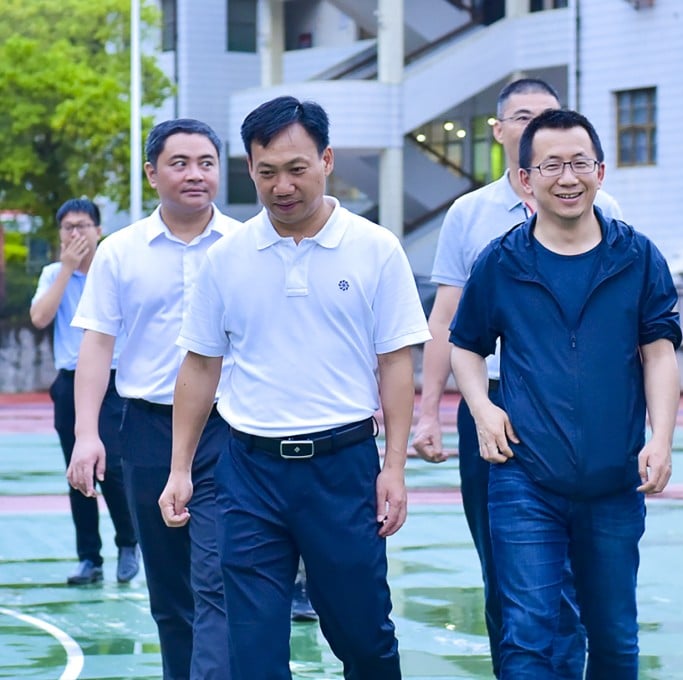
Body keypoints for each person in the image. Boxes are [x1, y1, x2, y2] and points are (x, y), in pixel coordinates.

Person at [159, 95, 430, 679]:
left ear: (326, 159)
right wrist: (180, 467)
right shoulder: (226, 257)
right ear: (251, 170)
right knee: (251, 652)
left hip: (344, 467)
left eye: (296, 169)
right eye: (266, 172)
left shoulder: (375, 248)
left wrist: (395, 467)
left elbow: (396, 363)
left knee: (363, 637)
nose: (282, 186)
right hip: (249, 471)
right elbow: (200, 367)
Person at [449, 109, 682, 679]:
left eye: (580, 163)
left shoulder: (637, 257)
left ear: (600, 171)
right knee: (528, 636)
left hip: (613, 480)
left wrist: (662, 438)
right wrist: (482, 408)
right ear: (526, 179)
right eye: (551, 165)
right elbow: (465, 346)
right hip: (524, 476)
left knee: (614, 639)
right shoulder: (502, 263)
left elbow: (659, 352)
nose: (568, 177)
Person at [412, 77, 621, 678]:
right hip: (494, 405)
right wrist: (431, 411)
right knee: (508, 567)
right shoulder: (470, 215)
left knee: (582, 573)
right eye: (525, 118)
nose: (539, 127)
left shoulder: (606, 209)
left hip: (580, 405)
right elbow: (447, 320)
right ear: (502, 132)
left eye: (551, 116)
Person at [67, 119, 240, 680]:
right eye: (180, 163)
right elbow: (96, 346)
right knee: (169, 589)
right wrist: (88, 434)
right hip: (145, 429)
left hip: (229, 430)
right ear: (152, 172)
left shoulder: (247, 246)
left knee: (216, 576)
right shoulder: (120, 252)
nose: (195, 174)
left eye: (206, 163)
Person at [30, 198, 139, 586]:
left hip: (112, 382)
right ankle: (88, 559)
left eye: (82, 226)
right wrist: (67, 271)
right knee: (77, 471)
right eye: (68, 228)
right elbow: (40, 317)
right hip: (69, 382)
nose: (75, 234)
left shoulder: (114, 272)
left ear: (98, 230)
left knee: (112, 469)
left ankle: (128, 542)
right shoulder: (52, 274)